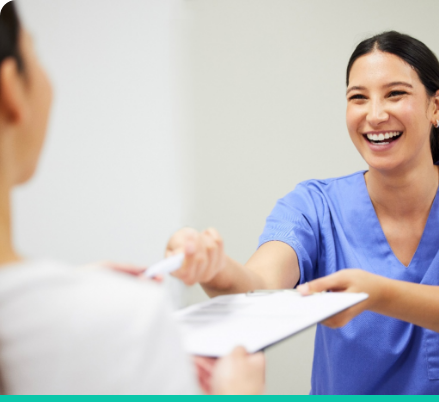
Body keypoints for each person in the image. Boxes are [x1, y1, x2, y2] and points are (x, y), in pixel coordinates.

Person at [165, 31, 439, 394]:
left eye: (395, 94)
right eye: (358, 98)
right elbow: (258, 288)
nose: (376, 114)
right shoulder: (313, 205)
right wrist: (216, 268)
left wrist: (378, 294)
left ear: (437, 105)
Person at [0, 1, 265, 395]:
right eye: (33, 53)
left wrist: (68, 289)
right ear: (11, 90)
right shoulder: (127, 322)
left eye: (394, 93)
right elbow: (271, 287)